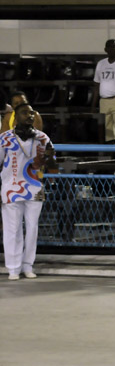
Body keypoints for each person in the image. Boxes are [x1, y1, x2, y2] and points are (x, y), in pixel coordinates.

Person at [0, 102, 55, 280]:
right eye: (25, 113)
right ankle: (13, 268)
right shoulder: (5, 138)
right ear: (16, 117)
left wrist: (49, 158)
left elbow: (53, 164)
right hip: (10, 189)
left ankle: (27, 265)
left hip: (34, 188)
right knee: (12, 229)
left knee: (32, 229)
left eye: (31, 113)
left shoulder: (42, 138)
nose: (30, 116)